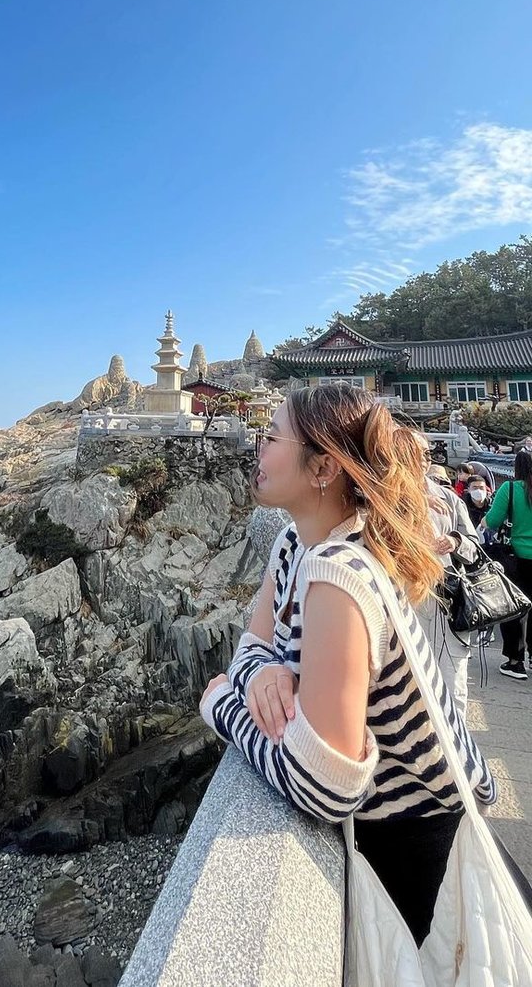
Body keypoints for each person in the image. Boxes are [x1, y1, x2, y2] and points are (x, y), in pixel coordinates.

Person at [199, 383, 495, 945]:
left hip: (416, 841)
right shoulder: (295, 543)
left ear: (323, 469)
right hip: (393, 826)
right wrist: (260, 673)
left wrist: (222, 709)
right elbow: (249, 646)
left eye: (271, 436)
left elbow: (323, 786)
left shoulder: (339, 572)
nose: (256, 449)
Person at [412, 451, 481, 717]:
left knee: (452, 680)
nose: (422, 459)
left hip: (448, 598)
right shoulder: (383, 498)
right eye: (412, 452)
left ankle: (455, 743)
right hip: (404, 598)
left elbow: (474, 545)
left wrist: (455, 542)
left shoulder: (449, 499)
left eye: (426, 454)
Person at [485, 449, 532, 680]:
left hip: (515, 558)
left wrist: (483, 520)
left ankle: (515, 662)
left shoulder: (510, 489)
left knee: (513, 608)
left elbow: (492, 521)